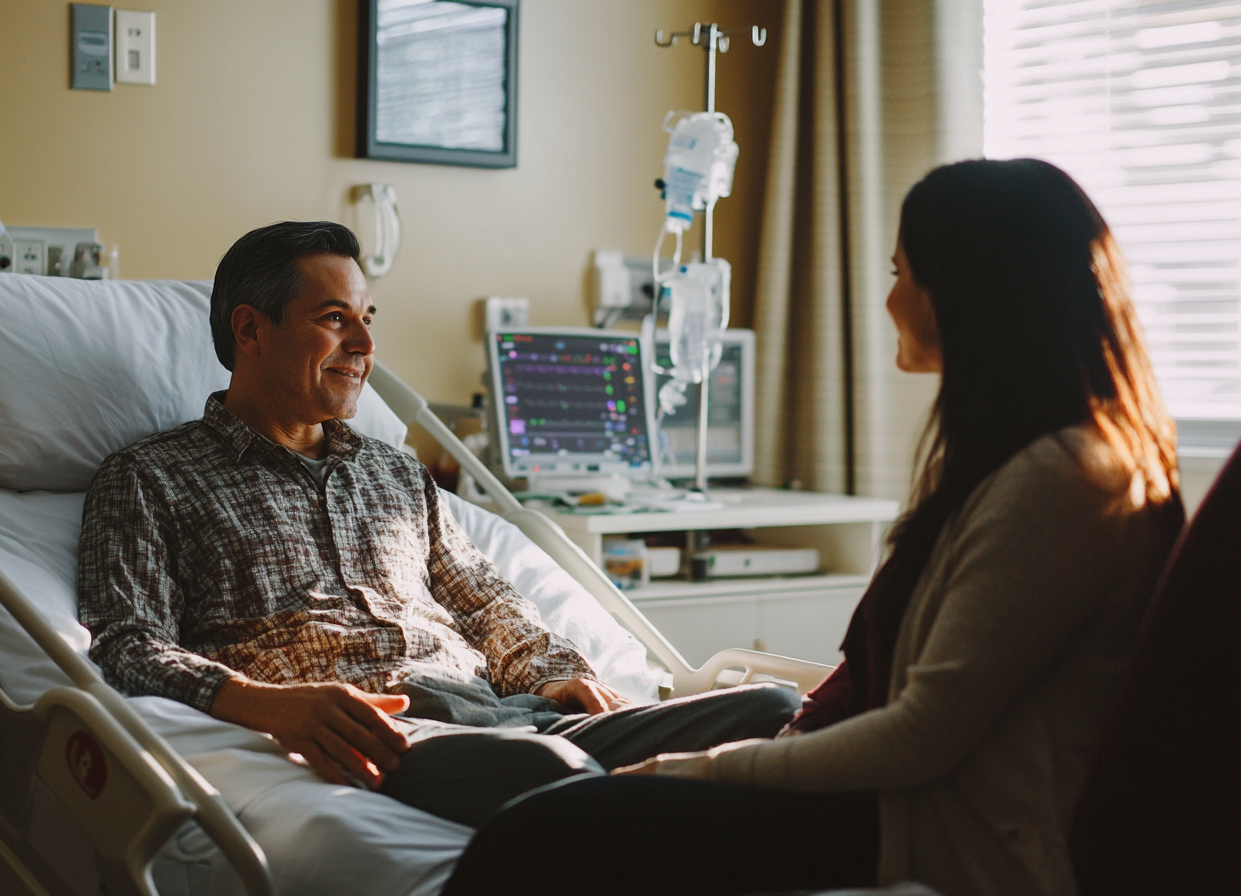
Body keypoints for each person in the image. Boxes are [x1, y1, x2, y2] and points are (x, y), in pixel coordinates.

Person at [442, 158, 1186, 896]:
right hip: (903, 809)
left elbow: (920, 736)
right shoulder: (1017, 463)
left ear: (964, 293)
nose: (890, 301)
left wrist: (704, 767)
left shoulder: (1062, 480)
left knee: (538, 837)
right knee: (550, 827)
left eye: (902, 275)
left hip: (956, 840)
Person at [77, 220, 798, 829]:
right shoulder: (152, 476)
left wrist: (557, 676)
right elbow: (129, 644)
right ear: (250, 329)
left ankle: (649, 795)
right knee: (558, 770)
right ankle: (657, 805)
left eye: (367, 319)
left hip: (504, 711)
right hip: (391, 733)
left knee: (774, 709)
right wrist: (272, 708)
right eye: (335, 319)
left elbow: (483, 598)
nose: (364, 343)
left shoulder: (393, 474)